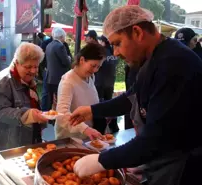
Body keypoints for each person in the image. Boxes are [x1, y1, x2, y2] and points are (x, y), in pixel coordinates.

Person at [70, 6, 202, 185]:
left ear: (137, 32)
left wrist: (102, 161)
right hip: (166, 158)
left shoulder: (173, 65)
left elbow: (156, 138)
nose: (115, 52)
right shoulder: (153, 58)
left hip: (182, 167)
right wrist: (92, 110)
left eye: (117, 43)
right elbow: (131, 97)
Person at [0, 43, 48, 157]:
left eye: (35, 66)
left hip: (23, 139)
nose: (33, 71)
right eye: (28, 67)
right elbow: (0, 112)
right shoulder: (4, 81)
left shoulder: (26, 79)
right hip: (2, 144)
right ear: (17, 63)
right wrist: (28, 115)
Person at [55, 43, 104, 140]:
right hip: (70, 139)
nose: (95, 70)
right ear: (82, 60)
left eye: (98, 67)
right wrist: (85, 129)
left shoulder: (90, 77)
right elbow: (61, 115)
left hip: (87, 138)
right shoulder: (68, 82)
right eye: (93, 65)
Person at [95, 35, 119, 133]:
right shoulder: (113, 52)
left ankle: (101, 127)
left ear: (103, 42)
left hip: (100, 82)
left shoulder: (102, 53)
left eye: (100, 40)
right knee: (110, 104)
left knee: (100, 105)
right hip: (110, 83)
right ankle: (114, 126)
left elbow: (97, 67)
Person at [45, 28, 71, 112]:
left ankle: (51, 116)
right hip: (58, 78)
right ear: (62, 36)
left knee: (51, 99)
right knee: (60, 99)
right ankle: (58, 117)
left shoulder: (49, 45)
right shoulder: (60, 46)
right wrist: (69, 58)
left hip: (49, 77)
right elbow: (66, 62)